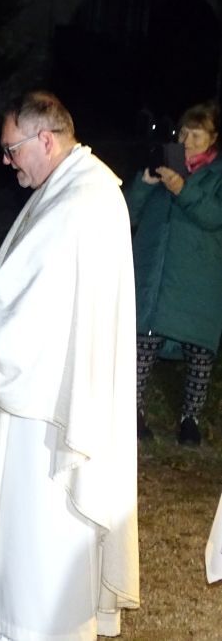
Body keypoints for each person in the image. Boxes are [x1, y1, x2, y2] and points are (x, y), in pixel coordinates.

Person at [0, 91, 139, 639]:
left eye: (11, 148)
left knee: (40, 507)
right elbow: (46, 278)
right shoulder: (72, 185)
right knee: (21, 506)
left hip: (52, 394)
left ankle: (41, 622)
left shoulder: (80, 199)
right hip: (51, 379)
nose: (6, 160)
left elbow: (40, 306)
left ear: (45, 139)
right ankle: (17, 615)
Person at [128, 100, 222, 445]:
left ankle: (190, 419)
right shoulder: (164, 164)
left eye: (197, 134)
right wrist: (145, 182)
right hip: (156, 273)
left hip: (200, 278)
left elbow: (214, 216)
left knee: (199, 351)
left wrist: (184, 190)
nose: (187, 140)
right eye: (183, 132)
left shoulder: (216, 176)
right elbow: (127, 213)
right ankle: (133, 411)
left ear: (213, 138)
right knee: (144, 341)